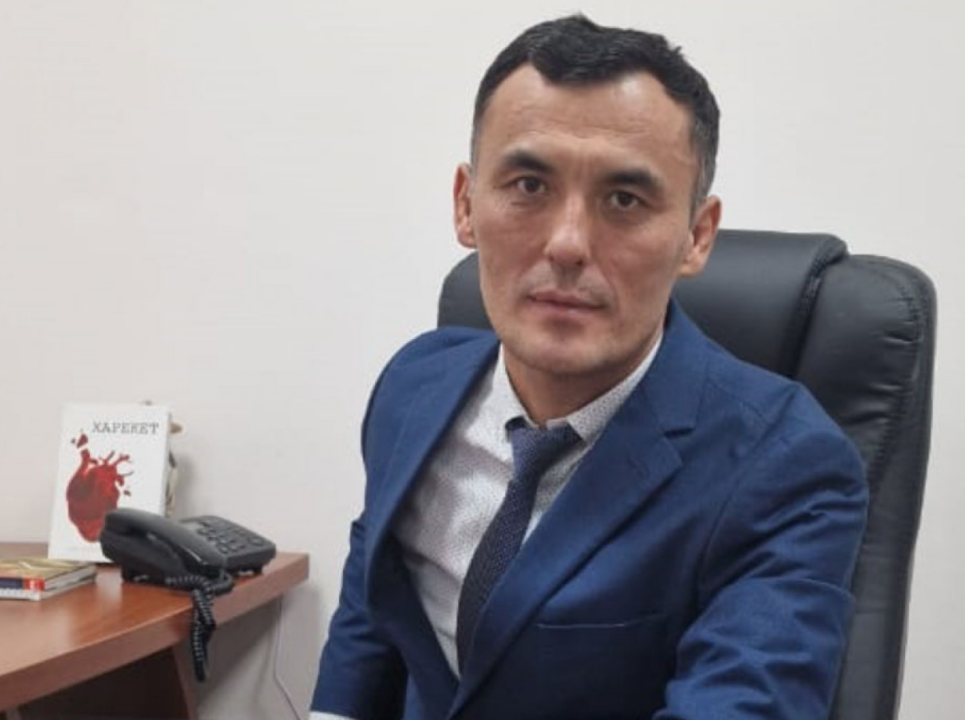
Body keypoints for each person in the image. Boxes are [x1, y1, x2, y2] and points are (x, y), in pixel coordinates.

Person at [311, 14, 867, 720]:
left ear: (697, 236)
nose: (568, 244)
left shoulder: (788, 468)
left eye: (624, 200)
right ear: (465, 205)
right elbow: (375, 597)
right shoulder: (413, 385)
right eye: (528, 186)